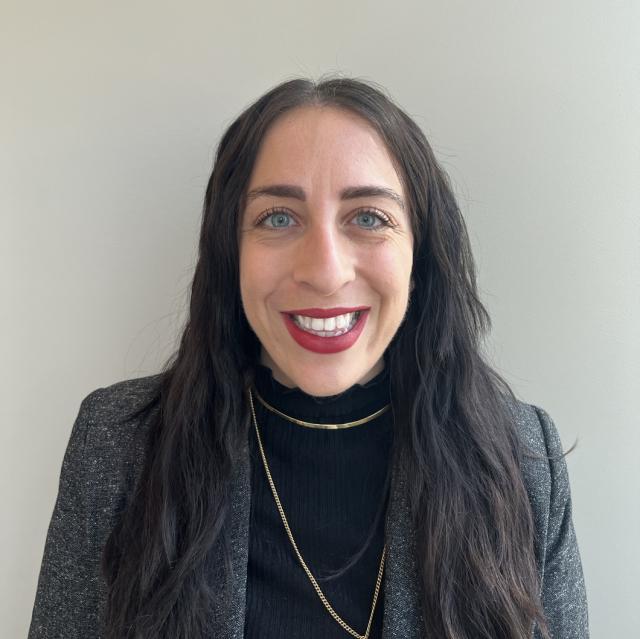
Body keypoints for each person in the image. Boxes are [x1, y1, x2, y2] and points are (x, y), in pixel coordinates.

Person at [28, 77, 589, 639]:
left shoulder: (521, 460)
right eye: (278, 218)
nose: (323, 271)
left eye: (368, 217)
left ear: (421, 251)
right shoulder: (120, 445)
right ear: (231, 249)